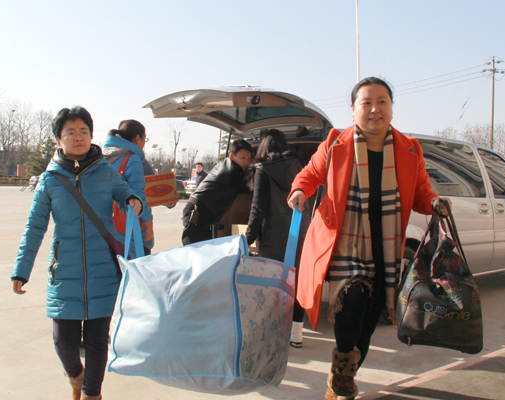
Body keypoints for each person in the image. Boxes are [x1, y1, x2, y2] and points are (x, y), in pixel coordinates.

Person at [287, 77, 450, 400]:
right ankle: (343, 370)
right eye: (367, 103)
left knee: (371, 316)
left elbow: (421, 192)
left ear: (391, 108)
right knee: (352, 302)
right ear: (353, 110)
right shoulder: (336, 142)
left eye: (382, 102)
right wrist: (299, 190)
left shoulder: (409, 148)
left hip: (385, 246)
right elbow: (311, 173)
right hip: (345, 243)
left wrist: (433, 202)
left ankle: (341, 379)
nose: (375, 109)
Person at [11, 106, 142, 400]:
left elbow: (126, 194)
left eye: (84, 131)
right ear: (59, 139)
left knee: (97, 343)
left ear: (91, 135)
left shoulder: (105, 172)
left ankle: (92, 394)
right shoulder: (49, 180)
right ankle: (75, 376)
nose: (79, 137)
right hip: (65, 271)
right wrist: (21, 269)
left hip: (103, 270)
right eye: (70, 132)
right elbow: (35, 227)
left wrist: (134, 201)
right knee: (63, 342)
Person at [244, 129, 310, 348]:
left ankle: (274, 331)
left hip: (274, 234)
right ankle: (296, 334)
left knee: (273, 282)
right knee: (297, 281)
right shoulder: (300, 166)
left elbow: (258, 209)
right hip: (300, 231)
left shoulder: (263, 170)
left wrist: (248, 238)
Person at [182, 139, 252, 245]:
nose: (247, 162)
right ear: (232, 156)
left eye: (249, 158)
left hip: (201, 211)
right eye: (243, 158)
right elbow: (250, 187)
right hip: (197, 212)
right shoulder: (232, 170)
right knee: (194, 249)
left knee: (203, 249)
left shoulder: (226, 165)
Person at [102, 119, 153, 255]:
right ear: (137, 139)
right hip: (125, 228)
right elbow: (138, 196)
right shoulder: (132, 159)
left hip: (102, 225)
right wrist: (148, 224)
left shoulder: (102, 156)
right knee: (130, 265)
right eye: (144, 139)